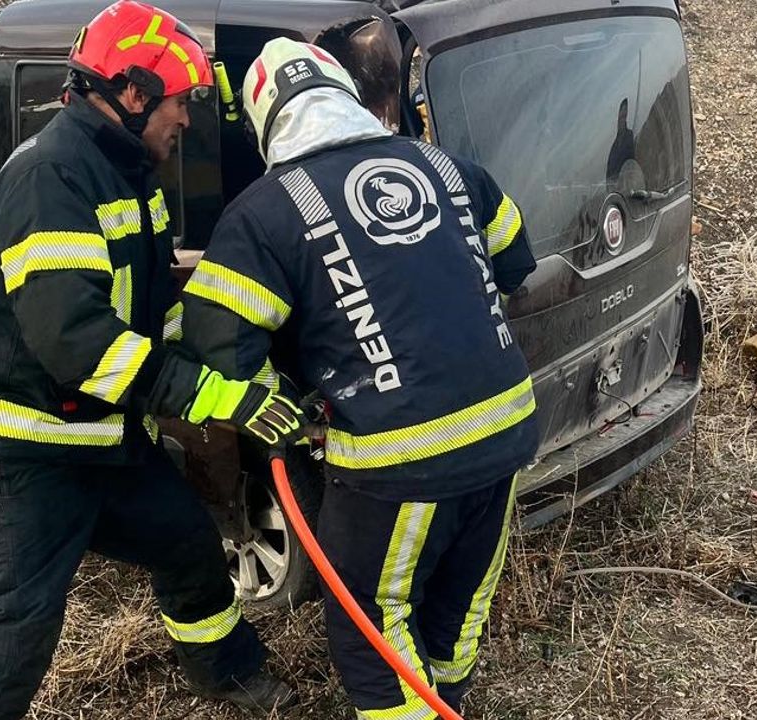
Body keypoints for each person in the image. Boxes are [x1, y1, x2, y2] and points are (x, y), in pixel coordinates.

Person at [0, 2, 301, 717]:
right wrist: (216, 398)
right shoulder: (53, 179)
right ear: (132, 93)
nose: (185, 118)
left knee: (188, 542)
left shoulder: (128, 173)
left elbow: (153, 315)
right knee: (15, 634)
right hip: (25, 446)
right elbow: (80, 344)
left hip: (100, 433)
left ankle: (224, 670)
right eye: (179, 101)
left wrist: (244, 367)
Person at [178, 38, 539, 719]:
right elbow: (515, 260)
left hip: (397, 457)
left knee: (370, 619)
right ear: (346, 95)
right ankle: (446, 701)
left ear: (263, 125)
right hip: (506, 429)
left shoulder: (263, 213)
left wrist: (291, 402)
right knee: (460, 604)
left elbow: (218, 344)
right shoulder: (447, 166)